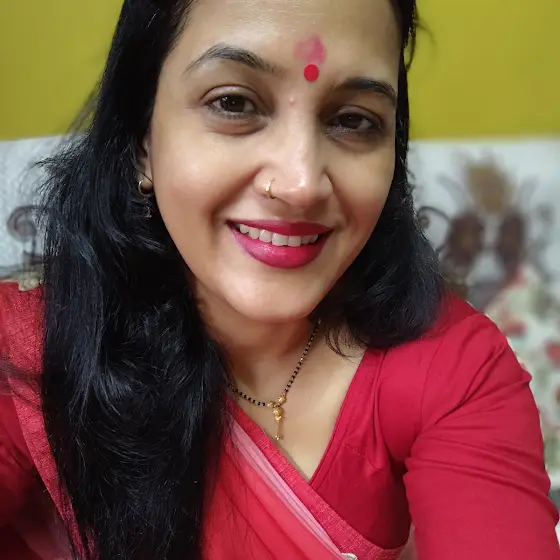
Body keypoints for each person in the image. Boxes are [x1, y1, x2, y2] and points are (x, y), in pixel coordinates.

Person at [0, 0, 558, 558]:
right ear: (141, 140)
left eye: (353, 120)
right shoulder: (31, 352)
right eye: (234, 103)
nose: (300, 184)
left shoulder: (456, 368)